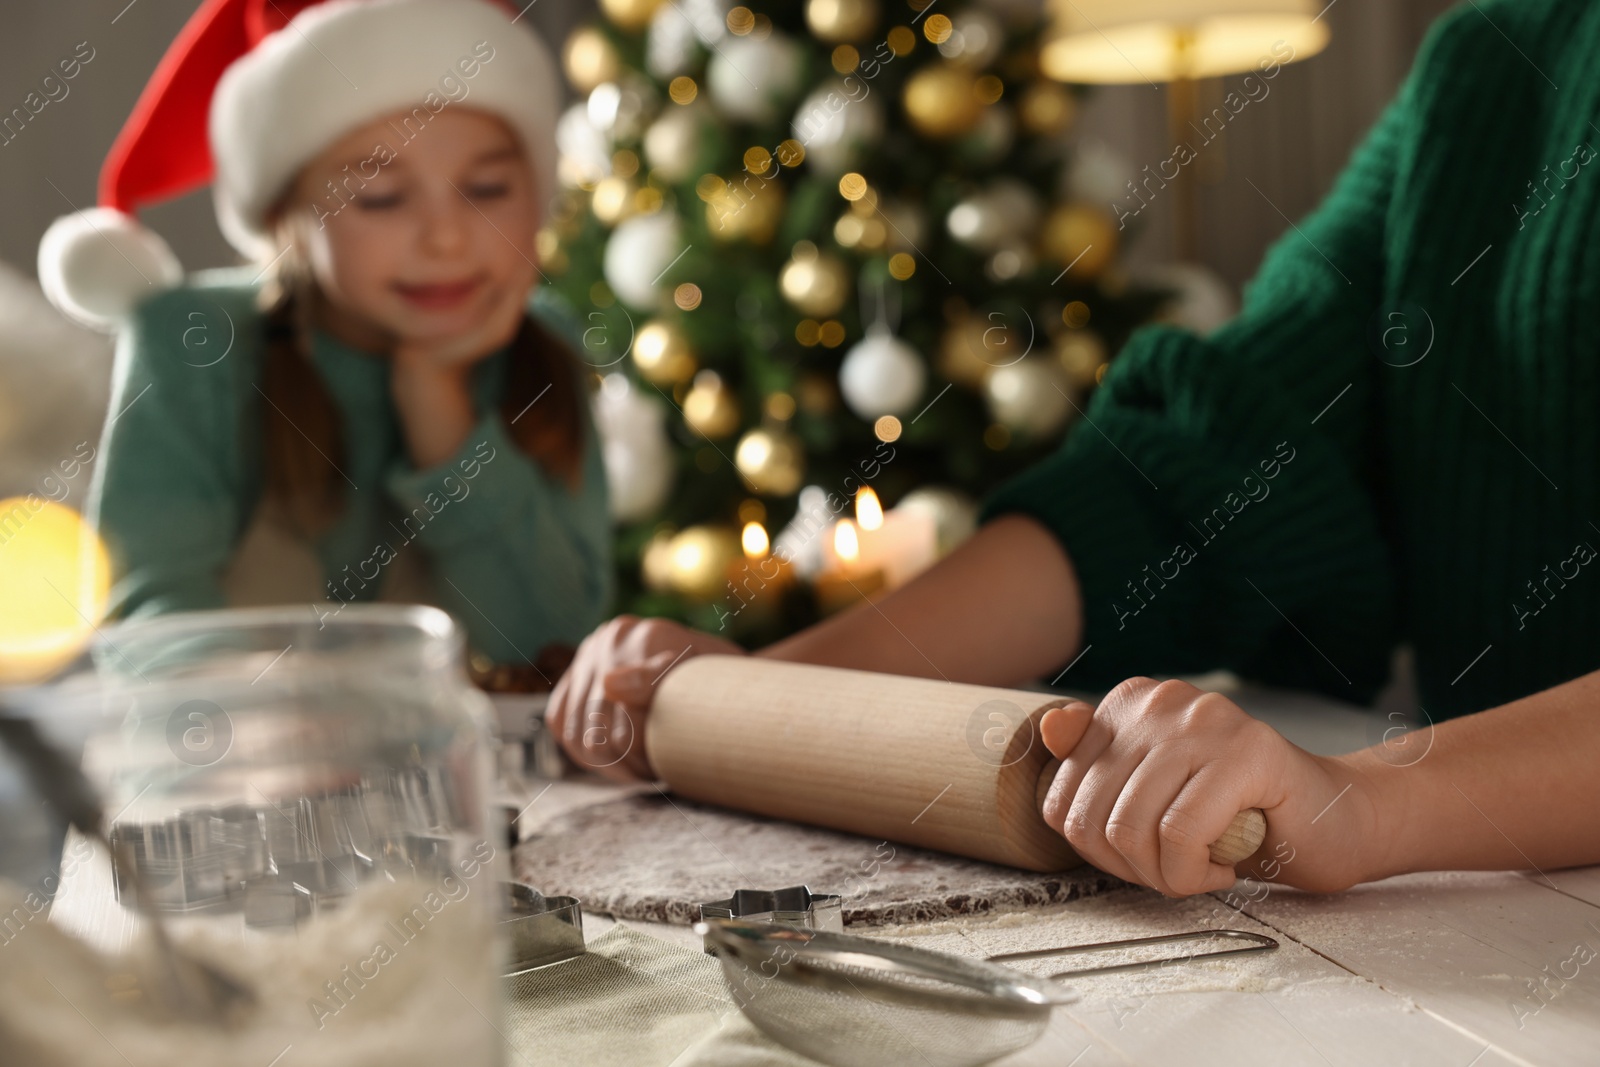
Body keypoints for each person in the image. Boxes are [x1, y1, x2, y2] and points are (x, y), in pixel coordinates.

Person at [548, 0, 1600, 896]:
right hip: (1497, 903)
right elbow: (1203, 458)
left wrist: (1369, 803)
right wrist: (760, 700)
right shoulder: (1497, 50)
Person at [38, 0, 610, 665]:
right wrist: (275, 716)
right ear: (289, 219)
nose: (447, 238)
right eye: (380, 198)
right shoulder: (191, 340)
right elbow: (149, 617)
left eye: (486, 188)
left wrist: (438, 403)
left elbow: (546, 642)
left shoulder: (548, 344)